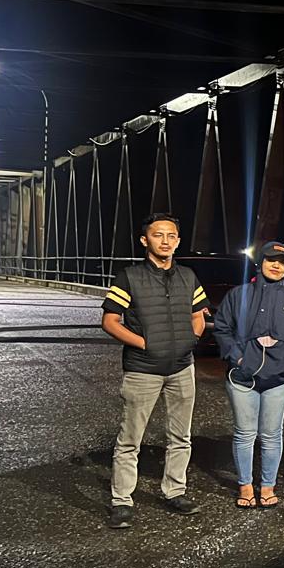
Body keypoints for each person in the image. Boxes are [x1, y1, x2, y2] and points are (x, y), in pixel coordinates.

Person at [100, 212, 209, 529]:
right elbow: (110, 321)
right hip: (142, 369)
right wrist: (145, 344)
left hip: (182, 368)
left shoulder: (188, 276)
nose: (165, 241)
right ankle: (122, 500)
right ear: (144, 240)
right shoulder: (129, 277)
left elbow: (199, 315)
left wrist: (192, 338)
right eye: (158, 234)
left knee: (181, 436)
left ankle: (175, 491)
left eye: (171, 235)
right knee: (130, 438)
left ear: (178, 241)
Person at [214, 241, 284, 509]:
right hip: (242, 378)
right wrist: (238, 359)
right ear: (260, 262)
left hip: (279, 380)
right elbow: (222, 328)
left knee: (271, 435)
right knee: (245, 433)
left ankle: (267, 486)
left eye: (282, 262)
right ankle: (245, 485)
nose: (276, 266)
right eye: (271, 260)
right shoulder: (238, 294)